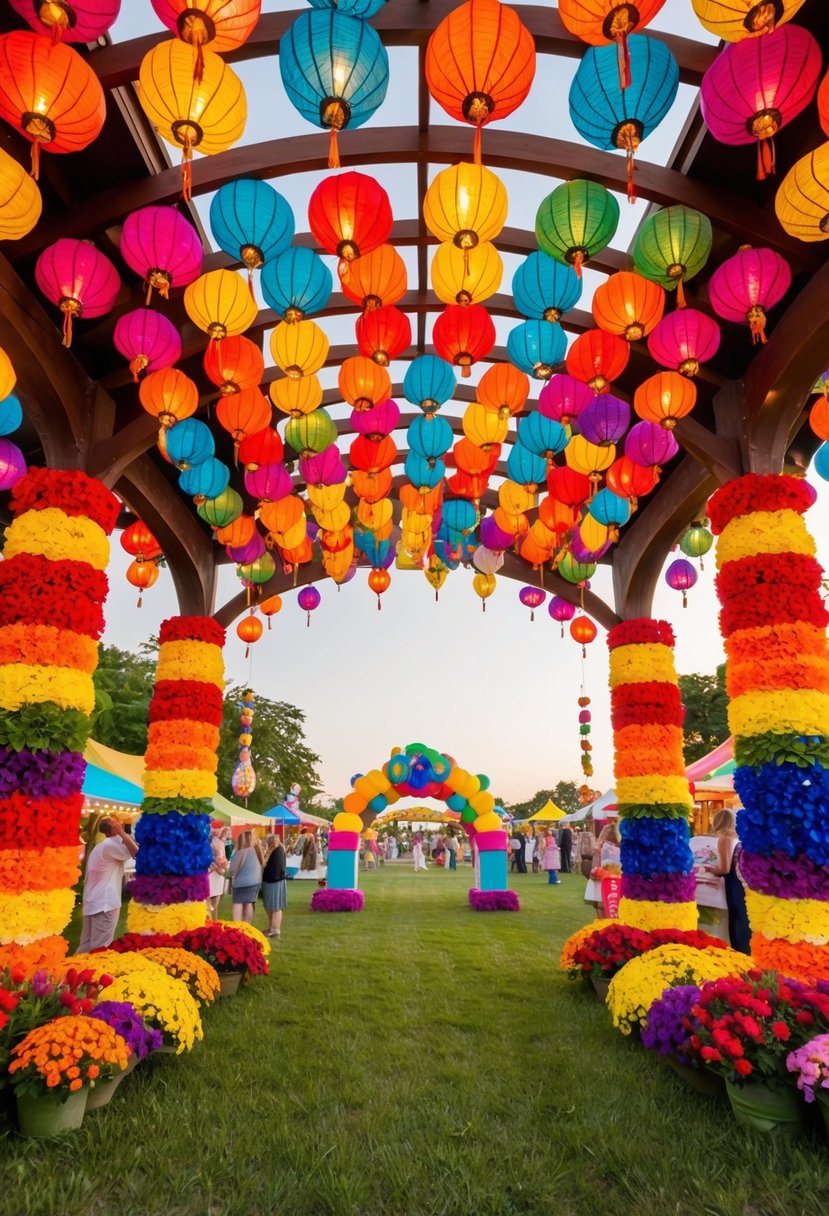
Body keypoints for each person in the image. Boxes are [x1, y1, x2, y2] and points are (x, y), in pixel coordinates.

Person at [77, 819, 138, 953]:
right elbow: (136, 853)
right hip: (104, 904)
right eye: (117, 823)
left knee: (85, 947)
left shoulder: (101, 846)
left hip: (93, 902)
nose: (121, 823)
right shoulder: (109, 846)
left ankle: (71, 971)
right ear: (113, 829)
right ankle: (94, 973)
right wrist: (122, 833)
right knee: (100, 948)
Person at [707, 808, 751, 954]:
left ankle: (740, 952)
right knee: (743, 917)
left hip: (732, 883)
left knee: (737, 919)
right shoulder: (736, 837)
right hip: (740, 882)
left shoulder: (724, 839)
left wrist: (709, 869)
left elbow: (724, 869)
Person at [229, 830, 264, 923]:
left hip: (242, 883)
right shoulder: (256, 850)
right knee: (249, 902)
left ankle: (237, 926)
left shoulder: (241, 852)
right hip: (255, 881)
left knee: (238, 903)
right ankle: (248, 925)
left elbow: (232, 870)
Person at [261, 834, 287, 938]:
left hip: (275, 880)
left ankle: (275, 929)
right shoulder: (279, 848)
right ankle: (272, 927)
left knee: (275, 906)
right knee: (270, 905)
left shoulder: (276, 850)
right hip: (272, 880)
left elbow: (265, 864)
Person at [208, 828, 228, 920]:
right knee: (209, 901)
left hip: (218, 874)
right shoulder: (209, 841)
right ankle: (210, 920)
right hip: (211, 873)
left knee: (215, 903)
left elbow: (223, 857)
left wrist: (223, 865)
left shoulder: (220, 843)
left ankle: (214, 920)